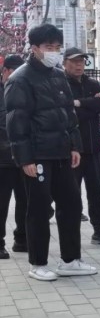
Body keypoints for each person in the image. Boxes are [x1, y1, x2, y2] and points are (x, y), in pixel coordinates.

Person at [4, 23, 97, 281]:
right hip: (38, 156)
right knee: (39, 209)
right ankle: (38, 263)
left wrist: (74, 146)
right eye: (49, 47)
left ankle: (70, 260)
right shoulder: (20, 79)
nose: (54, 52)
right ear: (34, 48)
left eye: (57, 47)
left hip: (62, 153)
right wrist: (25, 159)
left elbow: (69, 114)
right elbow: (16, 123)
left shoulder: (58, 75)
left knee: (71, 204)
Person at [63, 47, 100, 246]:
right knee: (71, 193)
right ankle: (71, 234)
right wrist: (89, 106)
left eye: (81, 61)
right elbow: (67, 112)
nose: (79, 65)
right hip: (71, 150)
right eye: (74, 61)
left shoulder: (92, 83)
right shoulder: (60, 83)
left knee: (95, 191)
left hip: (93, 148)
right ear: (65, 63)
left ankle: (99, 230)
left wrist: (78, 103)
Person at [0, 55, 27, 258]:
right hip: (3, 158)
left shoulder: (25, 90)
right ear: (6, 71)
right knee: (2, 203)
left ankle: (22, 239)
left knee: (25, 201)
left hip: (25, 157)